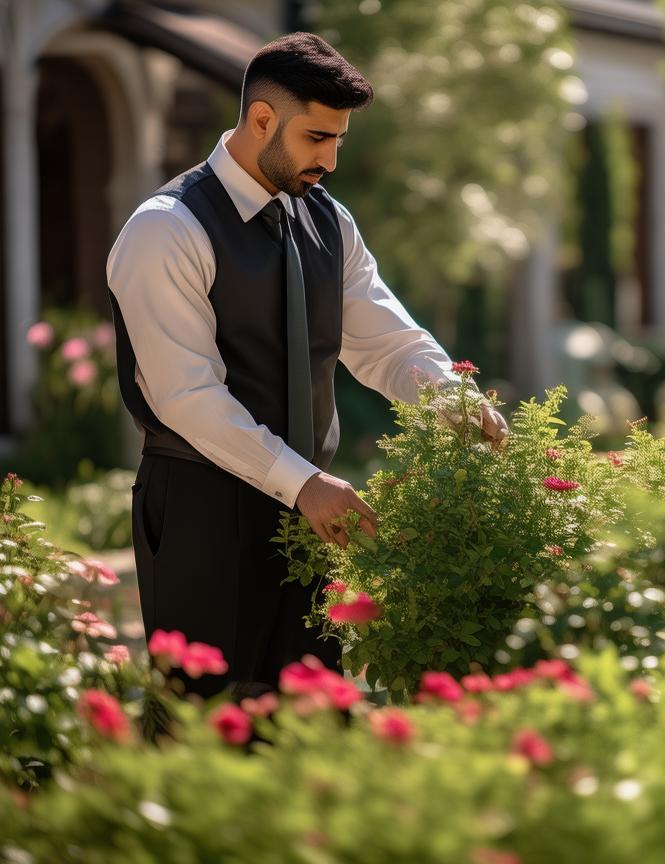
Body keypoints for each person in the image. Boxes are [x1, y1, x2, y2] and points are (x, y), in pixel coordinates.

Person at [107, 32, 507, 699]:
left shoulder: (330, 222)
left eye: (339, 140)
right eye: (316, 138)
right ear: (262, 120)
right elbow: (186, 396)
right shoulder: (166, 229)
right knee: (206, 726)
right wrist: (304, 482)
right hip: (202, 515)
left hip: (310, 513)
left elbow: (386, 341)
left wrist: (456, 402)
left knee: (313, 719)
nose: (330, 159)